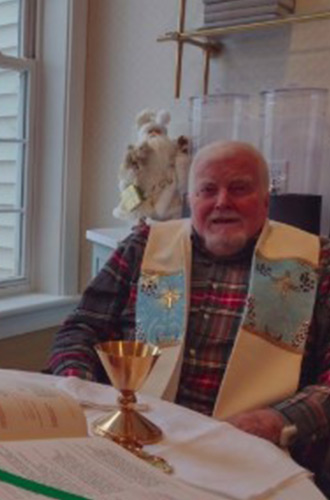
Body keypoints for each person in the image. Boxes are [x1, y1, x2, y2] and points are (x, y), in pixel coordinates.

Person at [46, 140, 330, 491]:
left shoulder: (315, 261)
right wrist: (84, 393)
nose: (222, 202)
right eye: (208, 190)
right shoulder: (143, 246)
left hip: (256, 457)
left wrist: (277, 420)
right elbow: (80, 328)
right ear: (190, 200)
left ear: (266, 200)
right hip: (133, 443)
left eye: (239, 188)